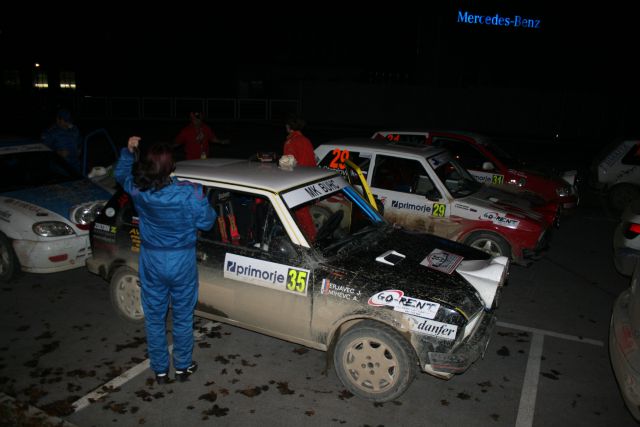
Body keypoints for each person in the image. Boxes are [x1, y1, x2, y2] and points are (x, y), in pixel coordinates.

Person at [114, 136, 216, 384]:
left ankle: (160, 370)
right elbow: (207, 222)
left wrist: (128, 152)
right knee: (182, 316)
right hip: (181, 261)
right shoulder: (190, 192)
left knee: (155, 317)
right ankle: (183, 366)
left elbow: (120, 175)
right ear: (171, 166)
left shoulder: (138, 189)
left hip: (152, 260)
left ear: (148, 166)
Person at [282, 113, 318, 242]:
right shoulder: (306, 140)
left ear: (289, 126)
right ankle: (311, 238)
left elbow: (287, 165)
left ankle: (310, 241)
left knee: (301, 214)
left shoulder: (291, 141)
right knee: (305, 213)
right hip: (310, 179)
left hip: (297, 181)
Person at [41, 108, 82, 172]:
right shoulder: (51, 132)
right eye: (65, 120)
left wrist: (79, 148)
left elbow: (79, 141)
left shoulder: (74, 129)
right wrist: (57, 153)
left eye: (68, 120)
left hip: (75, 165)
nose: (67, 122)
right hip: (60, 167)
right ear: (58, 120)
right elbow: (43, 149)